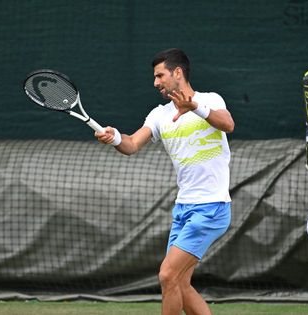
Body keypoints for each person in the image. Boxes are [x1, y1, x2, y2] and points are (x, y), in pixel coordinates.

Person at [95, 48, 235, 315]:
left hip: (211, 208)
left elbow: (227, 124)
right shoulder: (159, 115)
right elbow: (133, 143)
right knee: (180, 284)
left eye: (160, 75)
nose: (155, 82)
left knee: (167, 275)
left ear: (178, 73)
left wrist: (194, 107)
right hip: (183, 209)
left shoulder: (210, 99)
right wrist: (113, 137)